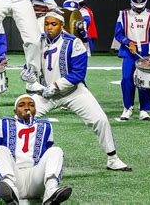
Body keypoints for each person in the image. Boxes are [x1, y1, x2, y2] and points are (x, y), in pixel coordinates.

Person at [25, 11, 131, 171]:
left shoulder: (74, 43)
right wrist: (28, 74)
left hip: (73, 92)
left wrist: (55, 86)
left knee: (100, 120)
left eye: (53, 24)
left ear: (62, 25)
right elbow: (31, 67)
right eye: (47, 24)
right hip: (46, 93)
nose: (49, 27)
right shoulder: (37, 42)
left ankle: (113, 159)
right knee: (22, 116)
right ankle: (22, 158)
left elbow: (78, 74)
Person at [0, 94, 72, 204]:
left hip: (36, 180)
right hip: (15, 178)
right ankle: (11, 192)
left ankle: (51, 191)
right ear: (15, 110)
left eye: (31, 105)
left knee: (56, 151)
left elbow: (48, 158)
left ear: (35, 110)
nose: (27, 108)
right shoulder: (4, 124)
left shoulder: (46, 126)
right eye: (22, 105)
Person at [114, 0, 150, 121]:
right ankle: (127, 108)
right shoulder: (123, 14)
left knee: (145, 81)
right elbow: (118, 34)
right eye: (136, 6)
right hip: (129, 53)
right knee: (127, 79)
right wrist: (129, 42)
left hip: (145, 54)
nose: (138, 9)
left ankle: (144, 110)